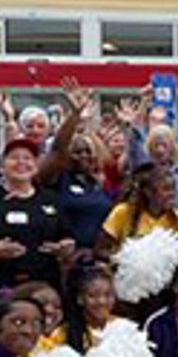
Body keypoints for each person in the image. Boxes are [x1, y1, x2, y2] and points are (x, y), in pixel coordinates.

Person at [0, 139, 76, 321]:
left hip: (44, 287)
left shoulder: (51, 200)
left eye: (28, 158)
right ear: (1, 166)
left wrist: (65, 248)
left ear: (36, 165)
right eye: (14, 158)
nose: (22, 162)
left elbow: (68, 239)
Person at [35, 79, 112, 255]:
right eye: (77, 152)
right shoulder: (57, 178)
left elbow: (104, 156)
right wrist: (74, 115)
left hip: (96, 258)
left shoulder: (96, 184)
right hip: (65, 257)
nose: (83, 156)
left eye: (87, 151)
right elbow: (58, 150)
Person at [95, 163, 178, 265]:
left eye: (173, 188)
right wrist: (122, 259)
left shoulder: (176, 217)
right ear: (148, 192)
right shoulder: (122, 212)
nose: (172, 194)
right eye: (166, 189)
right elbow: (99, 250)